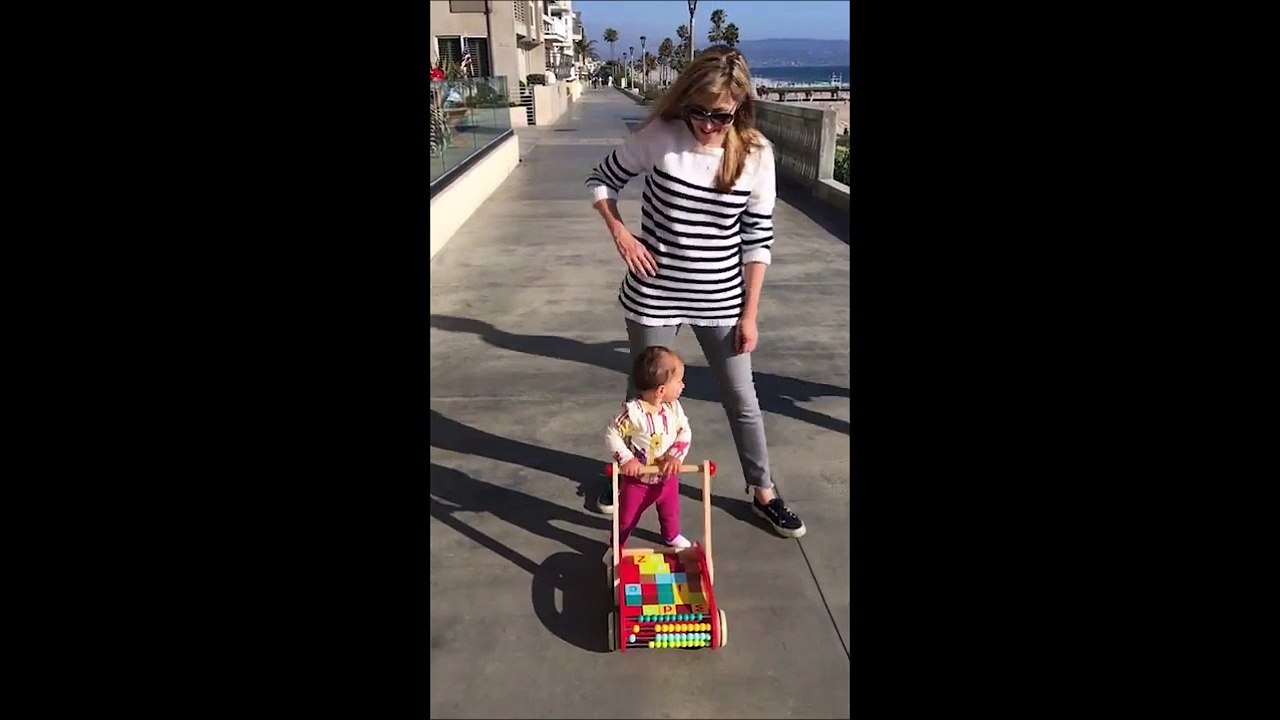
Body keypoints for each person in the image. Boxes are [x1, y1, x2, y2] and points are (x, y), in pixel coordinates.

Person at [584, 46, 806, 539]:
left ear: (740, 109)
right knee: (642, 397)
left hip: (721, 297)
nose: (707, 124)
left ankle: (763, 490)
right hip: (653, 294)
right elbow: (601, 180)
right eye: (698, 111)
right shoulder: (659, 136)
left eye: (720, 115)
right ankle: (627, 475)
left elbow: (757, 241)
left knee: (742, 398)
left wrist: (749, 314)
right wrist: (621, 233)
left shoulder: (756, 156)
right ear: (685, 101)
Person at [603, 346, 693, 562]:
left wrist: (675, 456)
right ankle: (617, 545)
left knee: (670, 511)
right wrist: (627, 459)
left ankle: (671, 536)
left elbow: (685, 431)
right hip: (638, 482)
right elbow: (612, 434)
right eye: (679, 381)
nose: (683, 385)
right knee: (626, 518)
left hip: (666, 477)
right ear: (661, 390)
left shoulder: (674, 408)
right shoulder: (633, 413)